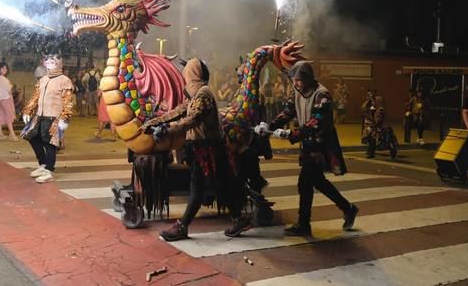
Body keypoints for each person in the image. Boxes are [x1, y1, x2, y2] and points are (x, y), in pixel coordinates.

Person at [142, 58, 251, 242]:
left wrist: (167, 130)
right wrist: (154, 122)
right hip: (205, 148)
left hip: (208, 149)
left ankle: (182, 226)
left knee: (197, 188)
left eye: (187, 71)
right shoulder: (196, 95)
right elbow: (179, 111)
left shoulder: (203, 95)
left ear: (192, 73)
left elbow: (192, 120)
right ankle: (239, 218)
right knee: (219, 186)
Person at [270, 61, 358, 236]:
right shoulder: (297, 92)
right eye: (294, 80)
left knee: (304, 183)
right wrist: (271, 125)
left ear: (309, 79)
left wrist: (294, 134)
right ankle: (348, 208)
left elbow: (316, 120)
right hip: (307, 142)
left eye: (299, 80)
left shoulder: (322, 94)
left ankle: (304, 224)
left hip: (320, 144)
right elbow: (288, 111)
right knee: (317, 181)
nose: (296, 83)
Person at [21, 54, 74, 183]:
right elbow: (36, 97)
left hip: (54, 116)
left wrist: (64, 118)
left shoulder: (64, 80)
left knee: (50, 143)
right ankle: (43, 165)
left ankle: (49, 170)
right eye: (47, 61)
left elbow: (67, 100)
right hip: (40, 115)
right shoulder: (43, 79)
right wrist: (28, 110)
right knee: (31, 137)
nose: (49, 63)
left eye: (53, 61)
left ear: (59, 63)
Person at [362, 94, 399, 159]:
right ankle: (371, 152)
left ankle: (392, 151)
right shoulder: (376, 109)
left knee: (385, 141)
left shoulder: (380, 110)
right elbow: (364, 109)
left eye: (375, 101)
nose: (373, 102)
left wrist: (373, 124)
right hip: (380, 128)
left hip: (383, 128)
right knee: (373, 138)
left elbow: (379, 120)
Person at [0, 62, 18, 141]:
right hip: (5, 98)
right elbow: (9, 88)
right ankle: (12, 134)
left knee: (1, 114)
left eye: (6, 68)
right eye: (2, 68)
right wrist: (11, 85)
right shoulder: (1, 78)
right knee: (8, 115)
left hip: (1, 99)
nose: (4, 70)